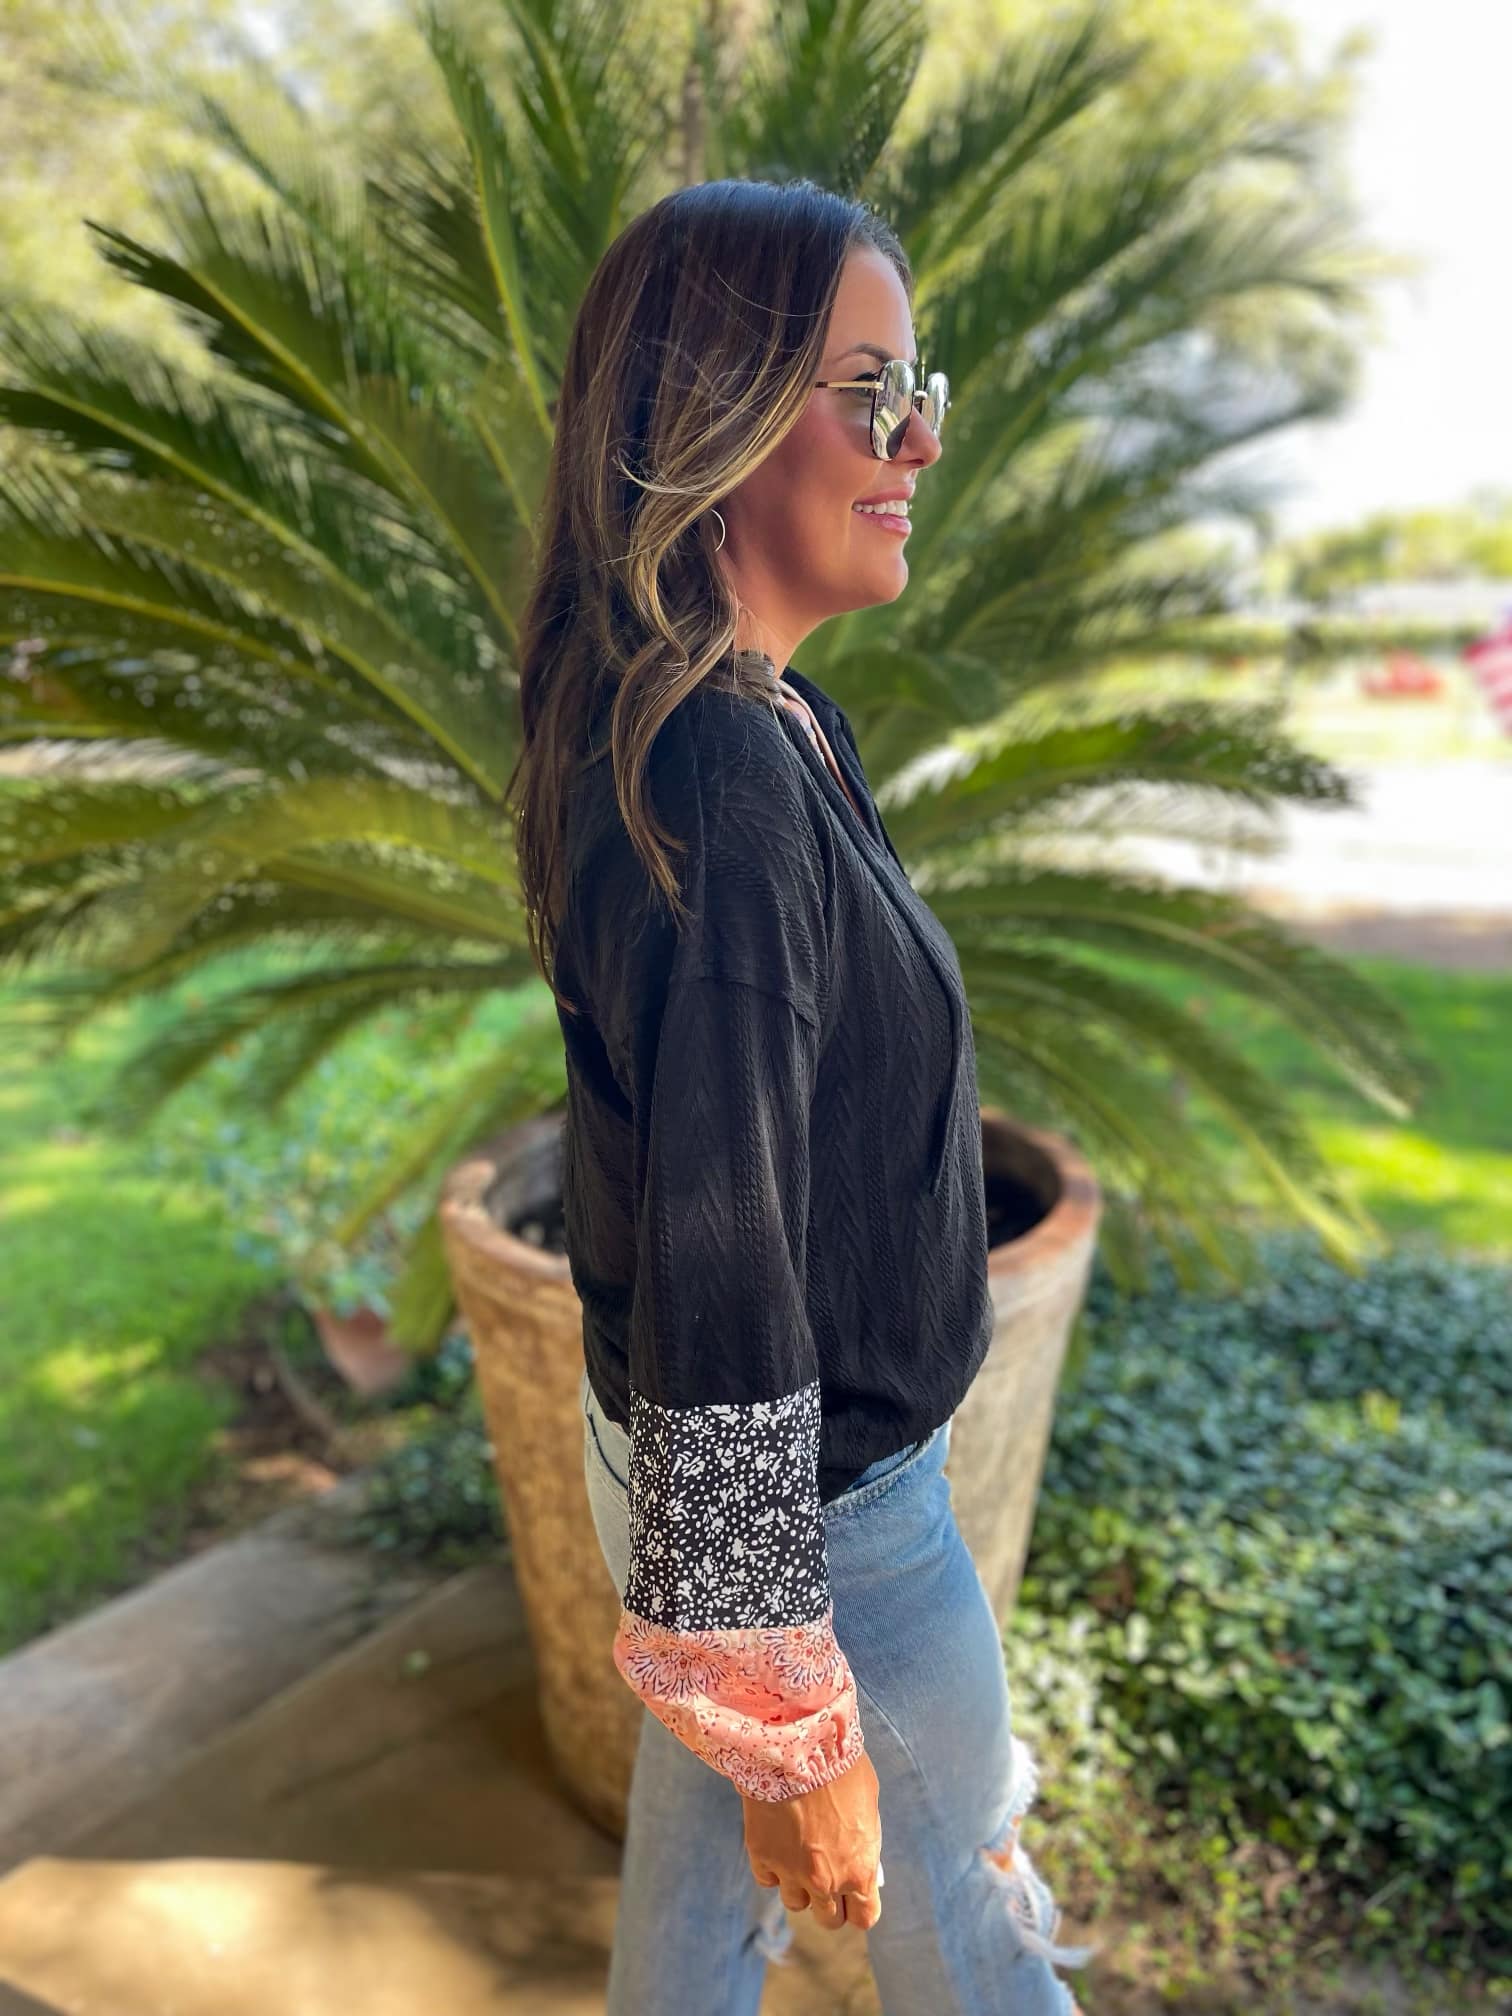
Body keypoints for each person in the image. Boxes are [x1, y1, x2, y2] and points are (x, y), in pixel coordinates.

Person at [510, 176, 1095, 2015]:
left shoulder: (743, 715)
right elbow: (725, 1237)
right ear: (714, 415)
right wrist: (780, 1705)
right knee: (975, 1930)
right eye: (869, 393)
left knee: (695, 1917)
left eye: (920, 385)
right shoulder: (726, 780)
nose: (920, 439)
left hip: (724, 1489)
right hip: (823, 1516)